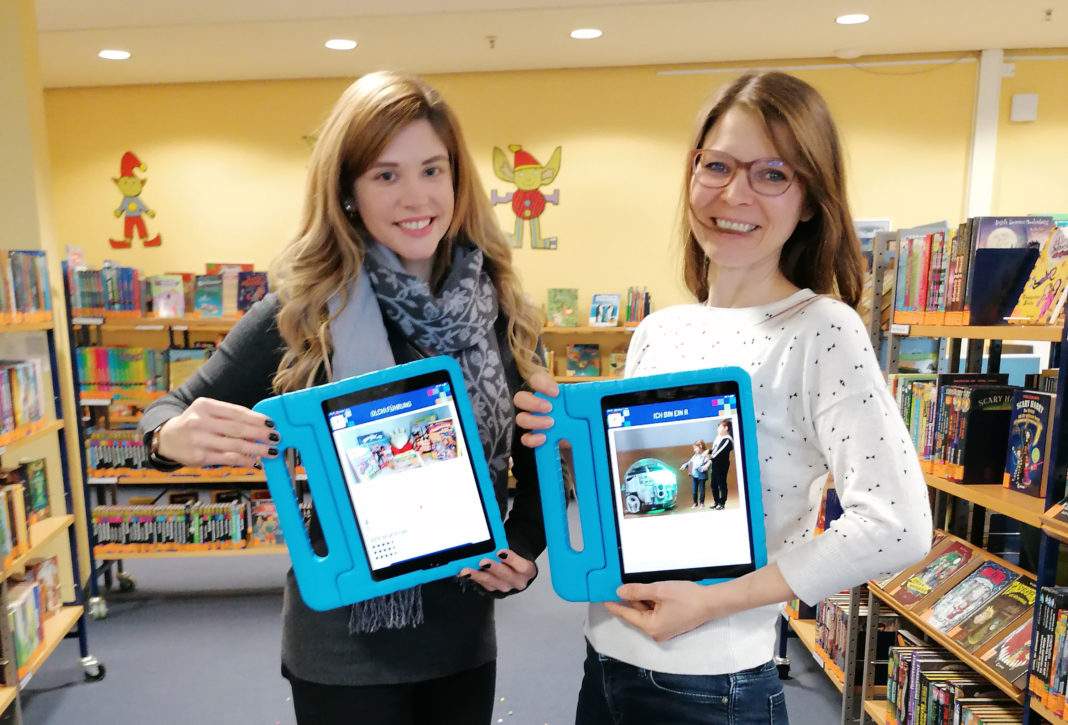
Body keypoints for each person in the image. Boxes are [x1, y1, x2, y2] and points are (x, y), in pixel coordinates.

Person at [515, 70, 932, 724]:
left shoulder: (820, 329)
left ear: (811, 199)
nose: (734, 192)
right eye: (717, 165)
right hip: (606, 661)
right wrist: (566, 437)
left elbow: (897, 524)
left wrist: (714, 602)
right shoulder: (661, 328)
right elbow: (646, 497)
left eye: (772, 173)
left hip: (712, 689)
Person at [139, 71, 547, 725]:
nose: (415, 196)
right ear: (349, 191)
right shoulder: (304, 311)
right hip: (343, 650)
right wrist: (169, 436)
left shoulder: (500, 309)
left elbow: (537, 464)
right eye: (386, 175)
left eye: (431, 170)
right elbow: (162, 413)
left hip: (465, 637)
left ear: (457, 179)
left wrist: (526, 547)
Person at [708, 419, 734, 510]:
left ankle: (722, 503)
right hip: (715, 465)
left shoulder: (727, 440)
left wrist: (708, 460)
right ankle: (716, 501)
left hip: (722, 465)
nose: (717, 430)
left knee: (722, 484)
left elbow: (716, 453)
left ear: (726, 428)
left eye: (719, 427)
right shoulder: (718, 438)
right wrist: (708, 452)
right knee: (713, 485)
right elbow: (714, 450)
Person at [679, 440, 711, 508]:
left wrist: (701, 468)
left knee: (702, 490)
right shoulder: (695, 455)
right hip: (694, 475)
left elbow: (707, 464)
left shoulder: (705, 455)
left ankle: (701, 502)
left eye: (695, 448)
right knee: (694, 490)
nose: (694, 450)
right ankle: (695, 503)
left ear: (700, 446)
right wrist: (685, 465)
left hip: (701, 475)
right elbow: (690, 462)